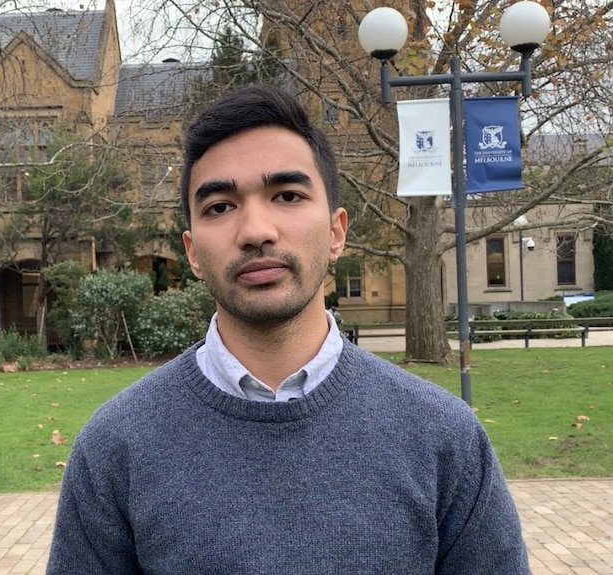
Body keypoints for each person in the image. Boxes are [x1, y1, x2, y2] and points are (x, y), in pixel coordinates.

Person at [46, 85, 529, 574]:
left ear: (337, 231)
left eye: (287, 195)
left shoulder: (444, 438)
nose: (256, 230)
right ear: (191, 251)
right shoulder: (114, 448)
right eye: (220, 206)